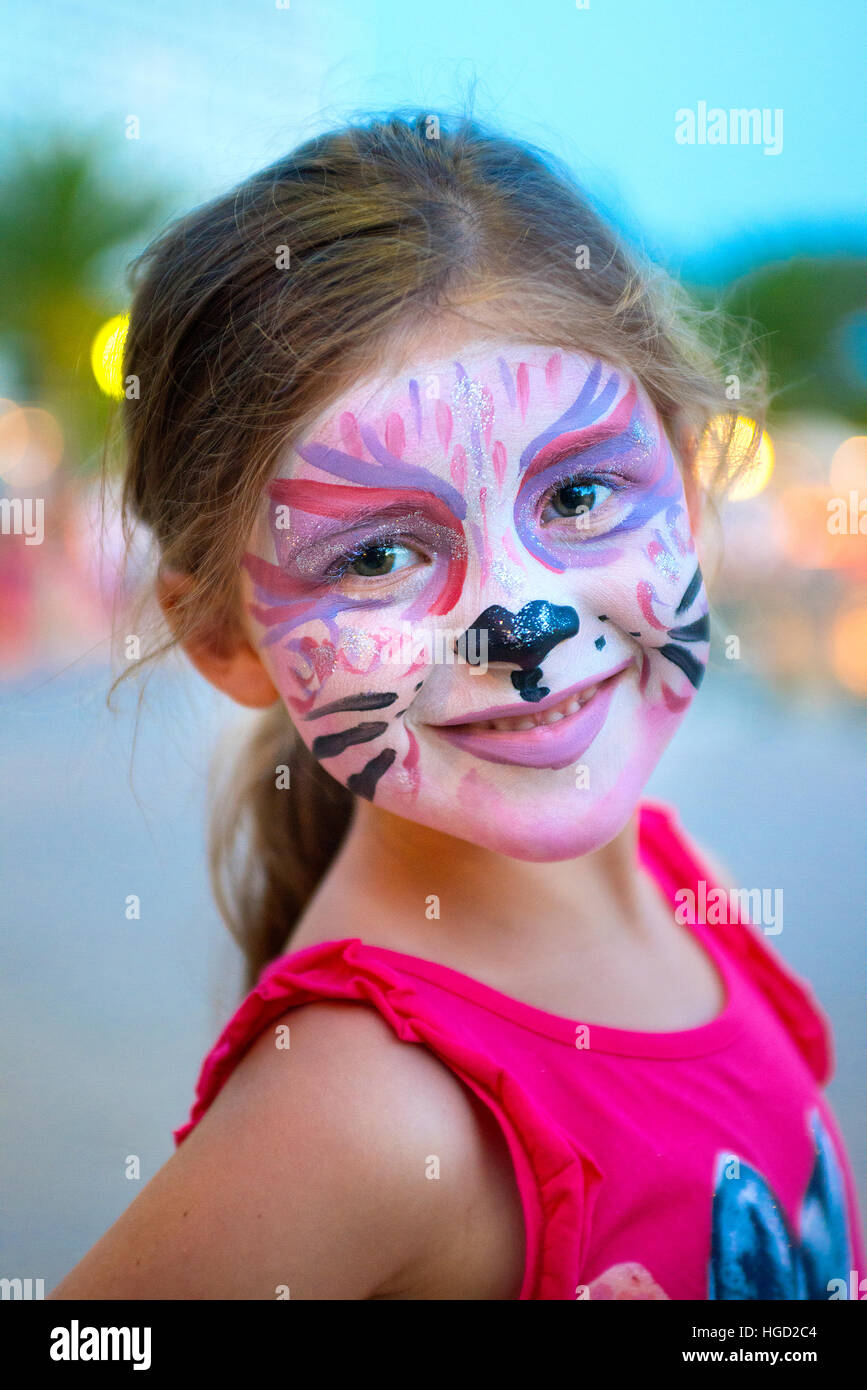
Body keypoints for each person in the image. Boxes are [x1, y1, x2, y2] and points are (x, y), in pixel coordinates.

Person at [50, 110, 863, 1301]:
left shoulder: (684, 884)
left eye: (581, 491)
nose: (520, 625)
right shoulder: (361, 1112)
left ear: (686, 483)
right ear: (224, 638)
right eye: (377, 557)